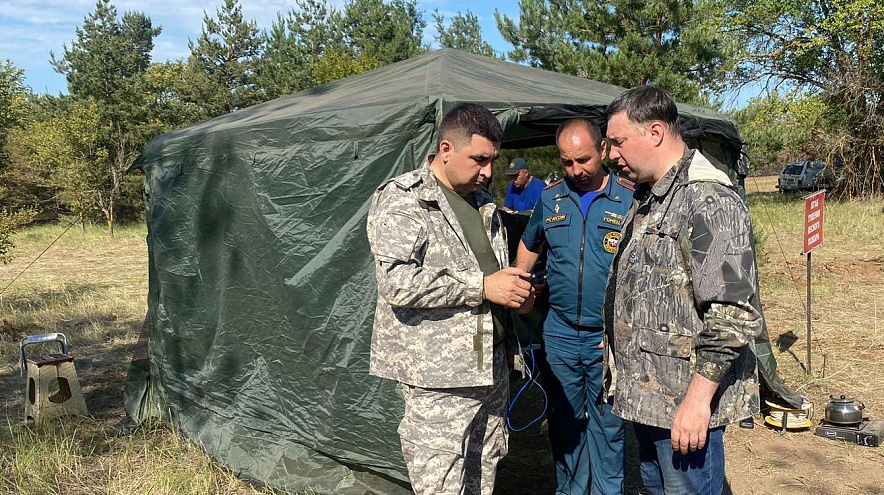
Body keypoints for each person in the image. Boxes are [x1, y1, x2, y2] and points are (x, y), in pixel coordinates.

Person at [602, 86, 763, 495]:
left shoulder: (707, 199)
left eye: (618, 142)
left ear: (655, 131)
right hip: (652, 400)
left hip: (683, 406)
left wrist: (697, 402)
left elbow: (733, 314)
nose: (610, 154)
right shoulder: (653, 197)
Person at [366, 103, 533, 495]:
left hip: (487, 360)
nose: (488, 171)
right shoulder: (405, 199)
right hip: (437, 374)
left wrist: (515, 291)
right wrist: (484, 287)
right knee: (441, 479)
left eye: (493, 160)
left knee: (484, 463)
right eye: (478, 159)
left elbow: (489, 268)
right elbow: (397, 282)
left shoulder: (482, 200)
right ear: (445, 149)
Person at [514, 118, 633, 495]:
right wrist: (519, 282)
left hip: (607, 338)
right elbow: (531, 244)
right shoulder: (550, 199)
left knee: (608, 427)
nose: (576, 170)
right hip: (560, 334)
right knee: (566, 425)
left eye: (583, 160)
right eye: (567, 163)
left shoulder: (629, 199)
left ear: (602, 150)